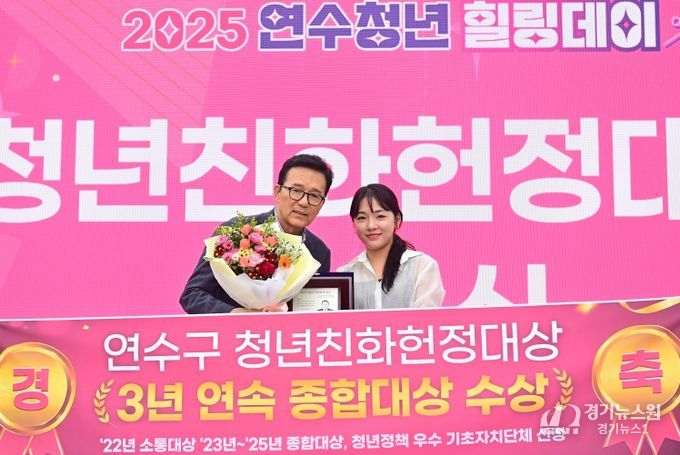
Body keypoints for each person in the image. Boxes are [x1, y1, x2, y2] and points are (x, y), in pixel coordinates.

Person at [180, 154, 333, 313]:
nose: (303, 202)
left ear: (322, 203)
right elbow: (192, 295)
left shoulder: (319, 252)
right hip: (233, 328)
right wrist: (237, 313)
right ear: (277, 192)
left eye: (314, 196)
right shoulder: (237, 233)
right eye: (296, 190)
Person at [338, 184, 445, 309]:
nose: (371, 226)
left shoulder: (421, 265)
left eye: (380, 216)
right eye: (362, 218)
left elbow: (426, 318)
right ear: (354, 224)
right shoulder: (344, 275)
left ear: (397, 220)